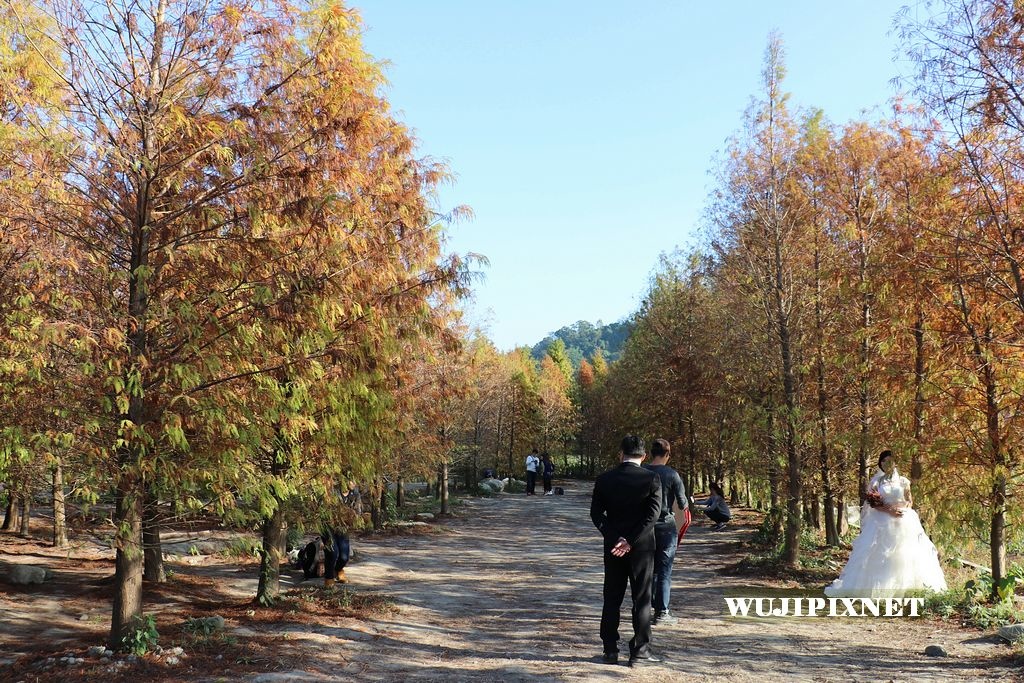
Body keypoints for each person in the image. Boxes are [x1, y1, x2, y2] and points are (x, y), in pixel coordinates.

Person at [824, 450, 946, 598]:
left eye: (890, 461)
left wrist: (903, 510)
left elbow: (909, 500)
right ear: (880, 464)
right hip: (881, 520)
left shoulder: (903, 481)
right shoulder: (876, 482)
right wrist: (890, 510)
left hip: (904, 520)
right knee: (881, 554)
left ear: (895, 463)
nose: (887, 464)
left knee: (906, 553)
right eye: (884, 461)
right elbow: (874, 503)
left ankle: (908, 590)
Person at [590, 435, 663, 667]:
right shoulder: (652, 479)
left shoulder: (604, 480)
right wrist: (630, 540)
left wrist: (616, 538)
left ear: (620, 454)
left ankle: (610, 649)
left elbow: (596, 514)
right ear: (643, 456)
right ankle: (640, 651)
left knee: (612, 597)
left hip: (613, 547)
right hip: (642, 547)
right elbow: (653, 515)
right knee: (641, 599)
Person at [643, 439, 688, 626]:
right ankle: (662, 612)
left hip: (644, 527)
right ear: (667, 455)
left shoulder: (642, 472)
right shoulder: (672, 475)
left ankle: (646, 607)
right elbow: (683, 503)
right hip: (666, 526)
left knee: (648, 569)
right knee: (664, 570)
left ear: (651, 453)